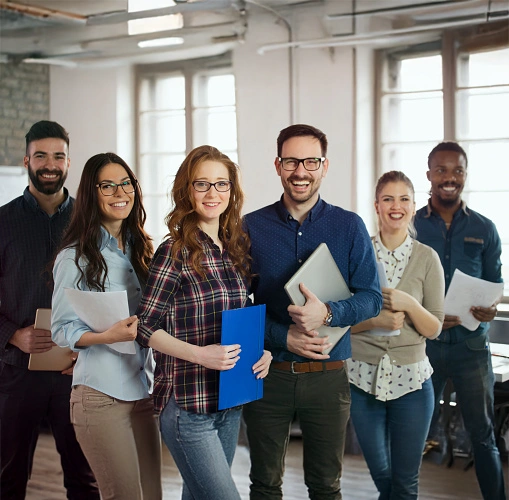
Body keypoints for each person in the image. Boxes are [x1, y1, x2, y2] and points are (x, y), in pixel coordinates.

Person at [242, 124, 383, 499]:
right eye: (291, 161)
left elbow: (372, 298)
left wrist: (330, 314)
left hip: (328, 376)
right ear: (277, 165)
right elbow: (237, 305)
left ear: (324, 165)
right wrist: (280, 335)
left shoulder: (349, 226)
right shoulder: (250, 227)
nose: (300, 171)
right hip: (267, 373)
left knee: (325, 487)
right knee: (265, 485)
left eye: (310, 161)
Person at [136, 145, 272, 500]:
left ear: (232, 190)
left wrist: (264, 352)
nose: (213, 193)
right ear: (187, 190)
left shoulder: (236, 247)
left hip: (229, 400)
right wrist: (201, 355)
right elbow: (144, 327)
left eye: (221, 184)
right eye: (202, 184)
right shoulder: (174, 250)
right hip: (187, 406)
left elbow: (241, 313)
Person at [51, 152, 162, 500]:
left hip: (142, 391)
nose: (120, 192)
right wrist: (106, 336)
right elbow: (60, 330)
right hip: (99, 397)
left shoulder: (142, 249)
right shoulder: (73, 257)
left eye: (126, 183)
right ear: (91, 194)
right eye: (108, 185)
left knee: (152, 495)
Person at [0, 121, 99, 499]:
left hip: (78, 369)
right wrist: (13, 334)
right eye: (41, 155)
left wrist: (90, 345)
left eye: (58, 156)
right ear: (27, 159)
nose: (49, 164)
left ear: (68, 162)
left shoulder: (91, 223)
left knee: (84, 478)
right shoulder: (2, 223)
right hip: (15, 372)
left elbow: (107, 292)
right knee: (8, 478)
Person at [414, 141, 505, 500]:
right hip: (424, 347)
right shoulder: (411, 225)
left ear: (465, 175)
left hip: (471, 349)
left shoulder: (486, 228)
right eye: (442, 170)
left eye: (457, 171)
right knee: (414, 434)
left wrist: (491, 309)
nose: (449, 178)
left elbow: (494, 285)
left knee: (483, 436)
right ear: (429, 175)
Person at [348, 171, 444, 499]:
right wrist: (377, 319)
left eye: (404, 199)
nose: (396, 205)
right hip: (361, 380)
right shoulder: (357, 255)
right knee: (382, 474)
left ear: (414, 207)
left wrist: (409, 303)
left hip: (414, 385)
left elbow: (434, 327)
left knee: (405, 483)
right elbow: (340, 322)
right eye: (388, 198)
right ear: (376, 205)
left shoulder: (427, 258)